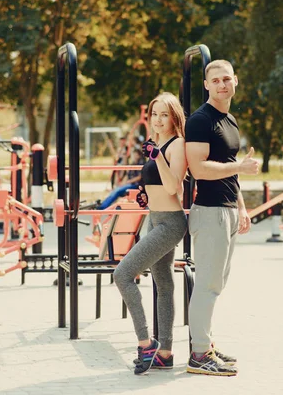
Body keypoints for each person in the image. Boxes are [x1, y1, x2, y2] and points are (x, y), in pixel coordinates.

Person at [184, 60, 260, 376]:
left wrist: (241, 207)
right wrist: (240, 168)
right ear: (206, 85)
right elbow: (198, 169)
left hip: (227, 210)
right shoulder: (201, 120)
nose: (221, 85)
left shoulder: (229, 120)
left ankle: (206, 346)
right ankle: (199, 355)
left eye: (226, 79)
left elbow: (228, 166)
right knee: (207, 285)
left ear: (235, 82)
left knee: (217, 284)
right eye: (215, 80)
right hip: (210, 212)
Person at [113, 92, 188, 375]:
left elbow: (173, 188)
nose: (157, 119)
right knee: (164, 286)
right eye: (154, 114)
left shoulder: (177, 144)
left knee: (122, 274)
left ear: (173, 117)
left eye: (164, 114)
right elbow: (158, 187)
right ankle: (165, 353)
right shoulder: (157, 143)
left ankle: (145, 343)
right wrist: (146, 195)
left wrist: (157, 157)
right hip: (155, 218)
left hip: (170, 223)